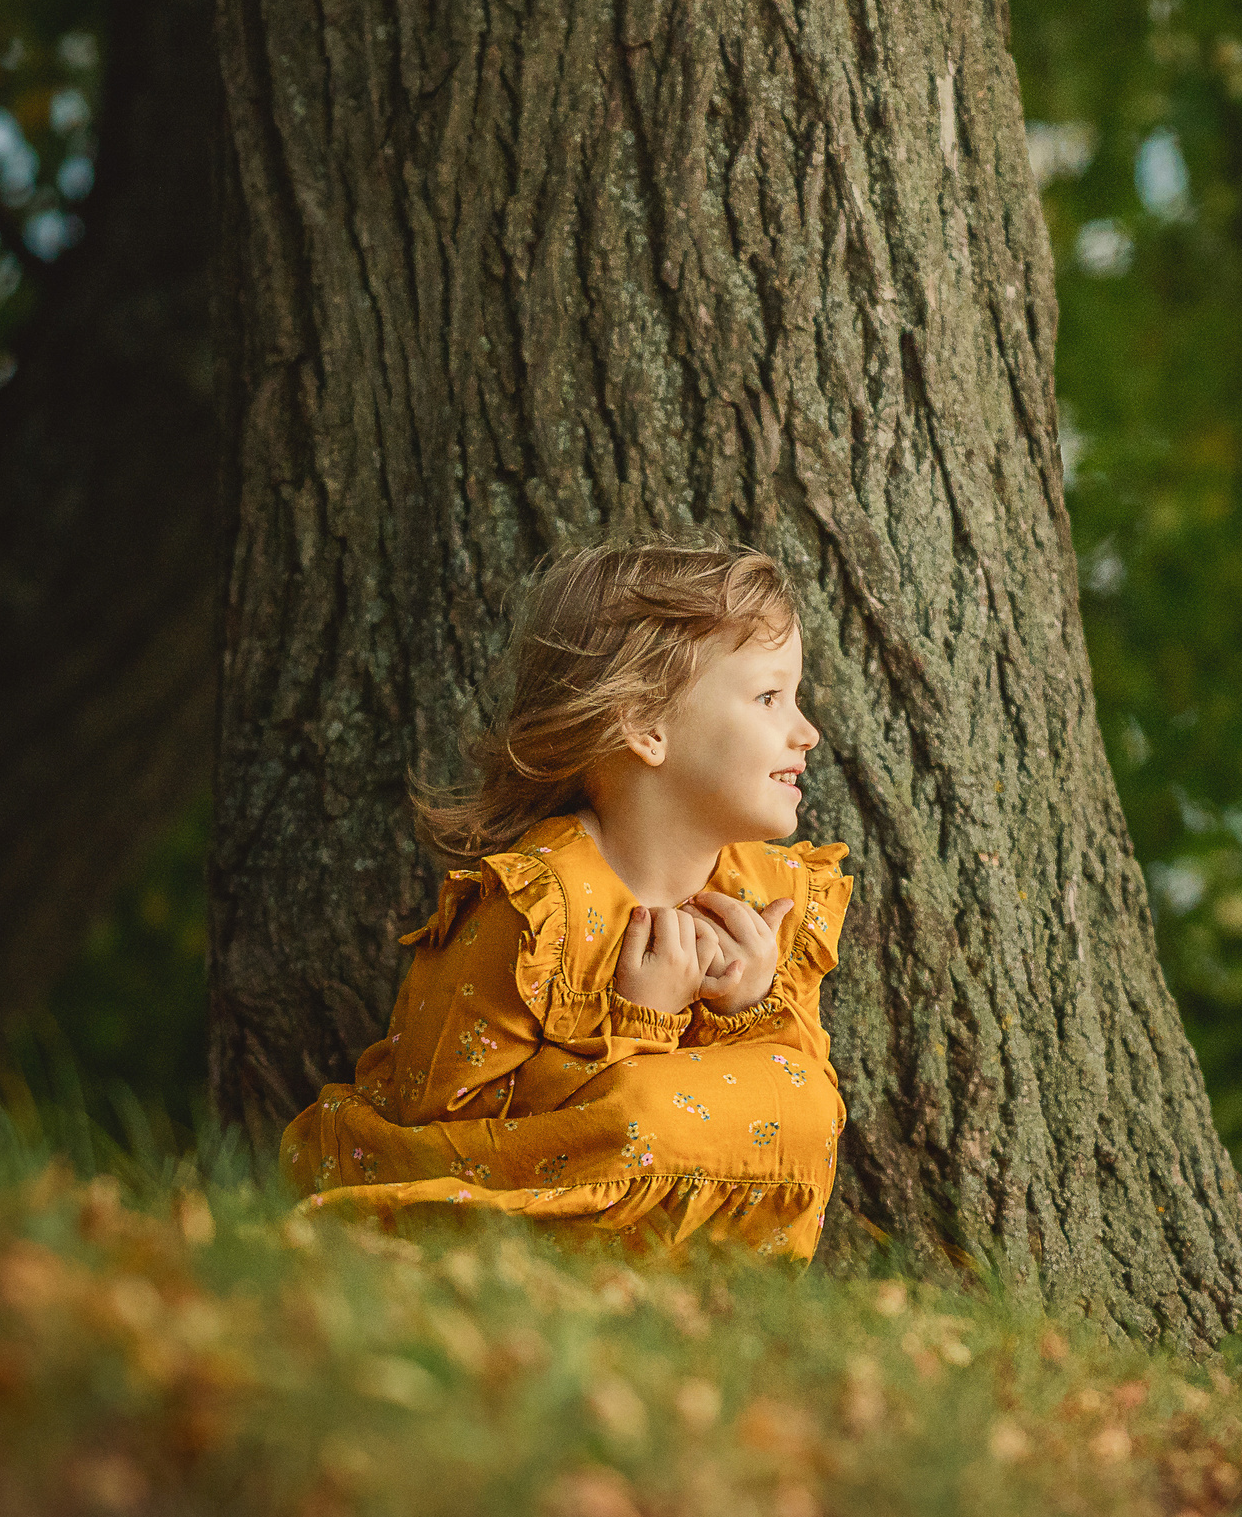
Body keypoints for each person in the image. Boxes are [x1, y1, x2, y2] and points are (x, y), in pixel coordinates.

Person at [279, 537, 851, 1260]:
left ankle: (694, 1278)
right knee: (647, 1111)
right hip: (469, 1191)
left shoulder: (767, 895)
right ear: (645, 725)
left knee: (802, 1096)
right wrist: (634, 1026)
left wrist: (752, 1001)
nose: (807, 733)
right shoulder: (535, 908)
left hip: (669, 1221)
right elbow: (442, 1121)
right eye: (771, 697)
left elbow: (794, 1094)